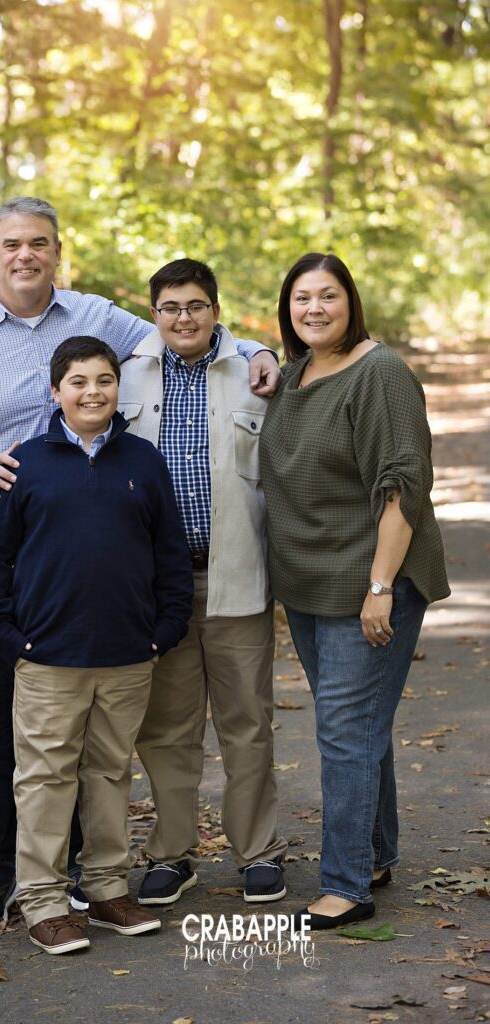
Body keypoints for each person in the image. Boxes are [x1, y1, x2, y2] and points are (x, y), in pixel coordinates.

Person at [0, 197, 280, 929]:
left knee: (85, 733)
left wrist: (259, 350)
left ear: (56, 251)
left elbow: (184, 332)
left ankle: (77, 873)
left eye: (39, 242)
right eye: (12, 243)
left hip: (86, 564)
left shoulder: (94, 316)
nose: (26, 255)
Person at [0, 336, 193, 954]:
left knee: (110, 773)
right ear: (55, 391)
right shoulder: (25, 464)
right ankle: (43, 901)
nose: (93, 392)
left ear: (118, 388)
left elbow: (170, 554)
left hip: (128, 655)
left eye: (104, 380)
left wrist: (164, 631)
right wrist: (9, 637)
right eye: (78, 381)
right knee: (45, 778)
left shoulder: (143, 459)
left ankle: (104, 888)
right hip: (48, 657)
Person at [258, 253, 449, 930]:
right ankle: (372, 855)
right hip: (308, 585)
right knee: (359, 726)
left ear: (351, 301)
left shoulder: (380, 373)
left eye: (327, 296)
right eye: (301, 298)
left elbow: (403, 486)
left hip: (369, 581)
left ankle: (344, 886)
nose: (313, 308)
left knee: (344, 732)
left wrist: (380, 586)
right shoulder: (293, 375)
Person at [118, 259, 288, 906]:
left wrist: (261, 349)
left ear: (216, 311)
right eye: (170, 307)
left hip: (237, 575)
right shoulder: (126, 375)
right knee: (165, 727)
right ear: (153, 313)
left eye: (195, 306)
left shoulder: (255, 375)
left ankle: (258, 852)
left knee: (247, 723)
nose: (183, 317)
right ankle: (171, 854)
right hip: (158, 587)